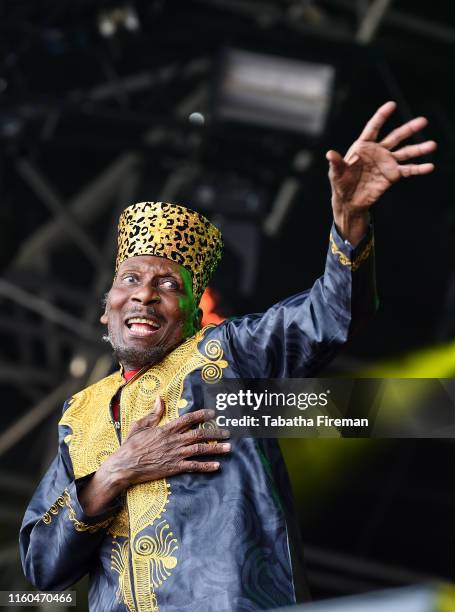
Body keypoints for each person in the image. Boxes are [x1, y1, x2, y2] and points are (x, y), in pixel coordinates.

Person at [20, 101, 435, 611]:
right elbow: (41, 565)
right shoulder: (78, 416)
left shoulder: (229, 353)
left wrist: (349, 220)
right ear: (106, 308)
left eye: (169, 284)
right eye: (131, 279)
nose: (145, 294)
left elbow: (333, 315)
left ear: (196, 312)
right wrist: (115, 472)